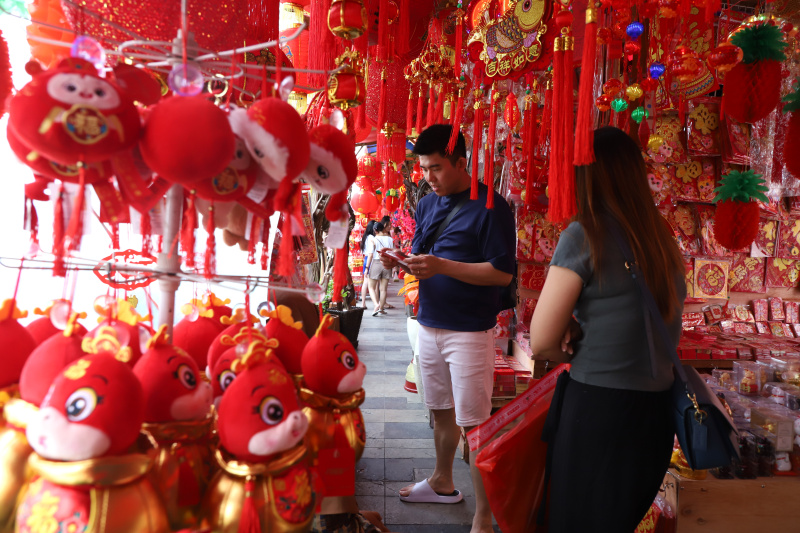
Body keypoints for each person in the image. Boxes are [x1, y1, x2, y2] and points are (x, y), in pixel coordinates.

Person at [529, 126, 686, 533]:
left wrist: (571, 345)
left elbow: (542, 341)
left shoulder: (585, 235)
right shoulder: (661, 239)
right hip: (655, 415)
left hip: (599, 410)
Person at [380, 124, 515, 533]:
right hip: (428, 321)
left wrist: (441, 266)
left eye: (436, 168)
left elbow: (501, 274)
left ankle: (484, 516)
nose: (428, 177)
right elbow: (425, 252)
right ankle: (442, 481)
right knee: (439, 412)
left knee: (475, 425)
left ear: (460, 163)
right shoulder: (427, 204)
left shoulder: (493, 207)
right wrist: (401, 260)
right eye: (423, 169)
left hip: (469, 331)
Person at [365, 222, 394, 316]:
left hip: (376, 263)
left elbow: (370, 254)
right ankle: (381, 308)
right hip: (387, 264)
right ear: (383, 229)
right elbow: (393, 253)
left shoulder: (373, 239)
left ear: (375, 230)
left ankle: (376, 304)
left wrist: (366, 268)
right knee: (383, 289)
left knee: (371, 287)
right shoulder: (390, 239)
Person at [359, 220, 377, 308]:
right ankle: (376, 304)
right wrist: (367, 267)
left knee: (365, 282)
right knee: (372, 283)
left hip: (366, 259)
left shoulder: (365, 237)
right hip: (371, 260)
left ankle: (363, 303)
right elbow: (371, 253)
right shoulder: (371, 238)